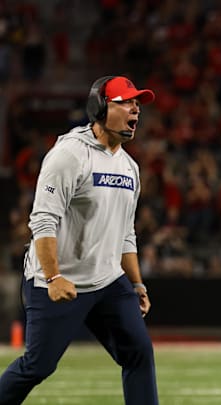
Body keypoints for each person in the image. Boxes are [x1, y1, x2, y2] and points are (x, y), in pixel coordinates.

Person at [0, 76, 159, 405]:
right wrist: (54, 277)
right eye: (126, 102)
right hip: (59, 280)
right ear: (100, 107)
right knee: (37, 366)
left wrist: (137, 284)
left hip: (107, 280)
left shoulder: (130, 167)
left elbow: (125, 232)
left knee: (139, 354)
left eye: (137, 103)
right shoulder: (68, 155)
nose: (135, 109)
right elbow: (43, 220)